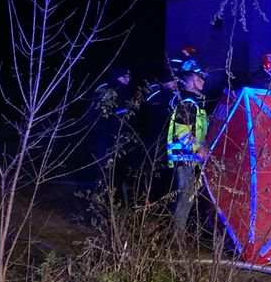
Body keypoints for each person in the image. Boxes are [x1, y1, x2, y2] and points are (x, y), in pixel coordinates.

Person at [147, 59, 211, 233]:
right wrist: (200, 149)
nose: (203, 81)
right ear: (189, 78)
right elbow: (183, 133)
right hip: (184, 159)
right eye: (200, 77)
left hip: (189, 158)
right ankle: (177, 242)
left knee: (185, 199)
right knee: (184, 199)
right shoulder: (187, 102)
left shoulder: (194, 100)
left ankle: (172, 236)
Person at [89, 65, 133, 195]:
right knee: (105, 172)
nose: (128, 79)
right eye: (124, 76)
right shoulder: (106, 90)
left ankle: (116, 204)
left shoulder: (126, 91)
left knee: (119, 173)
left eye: (129, 76)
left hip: (121, 138)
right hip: (105, 138)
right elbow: (97, 115)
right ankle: (101, 201)